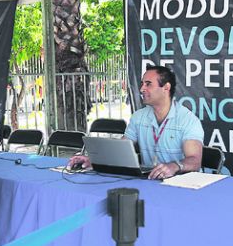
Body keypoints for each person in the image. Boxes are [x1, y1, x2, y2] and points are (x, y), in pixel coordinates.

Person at [69, 65, 204, 179]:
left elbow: (194, 161)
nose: (141, 89)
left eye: (148, 84)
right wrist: (93, 160)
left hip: (182, 184)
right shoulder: (138, 117)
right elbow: (120, 150)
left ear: (166, 88)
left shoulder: (188, 120)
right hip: (149, 181)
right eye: (142, 84)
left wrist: (174, 166)